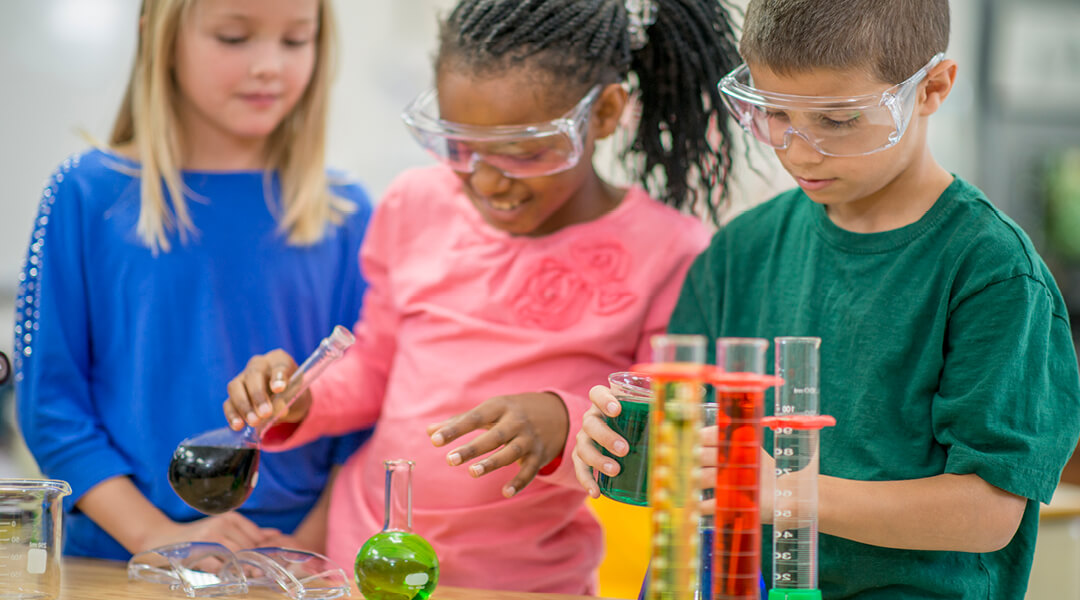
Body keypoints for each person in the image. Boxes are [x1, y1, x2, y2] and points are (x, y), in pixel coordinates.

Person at [222, 0, 742, 593]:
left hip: (524, 584)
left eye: (524, 153)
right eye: (461, 147)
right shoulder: (416, 204)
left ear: (603, 113)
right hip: (364, 562)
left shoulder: (671, 250)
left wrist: (561, 422)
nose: (488, 181)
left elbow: (662, 449)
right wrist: (303, 396)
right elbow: (375, 370)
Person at [573, 0, 1080, 597]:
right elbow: (690, 434)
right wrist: (623, 440)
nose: (799, 150)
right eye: (774, 112)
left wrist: (784, 489)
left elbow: (989, 512)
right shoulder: (742, 250)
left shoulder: (991, 271)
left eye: (837, 120)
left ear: (932, 87)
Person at [14, 0, 373, 560]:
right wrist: (154, 535)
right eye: (234, 38)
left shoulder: (347, 213)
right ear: (158, 39)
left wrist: (308, 547)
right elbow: (52, 407)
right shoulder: (86, 193)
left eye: (296, 41)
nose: (269, 66)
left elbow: (367, 411)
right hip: (120, 559)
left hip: (297, 562)